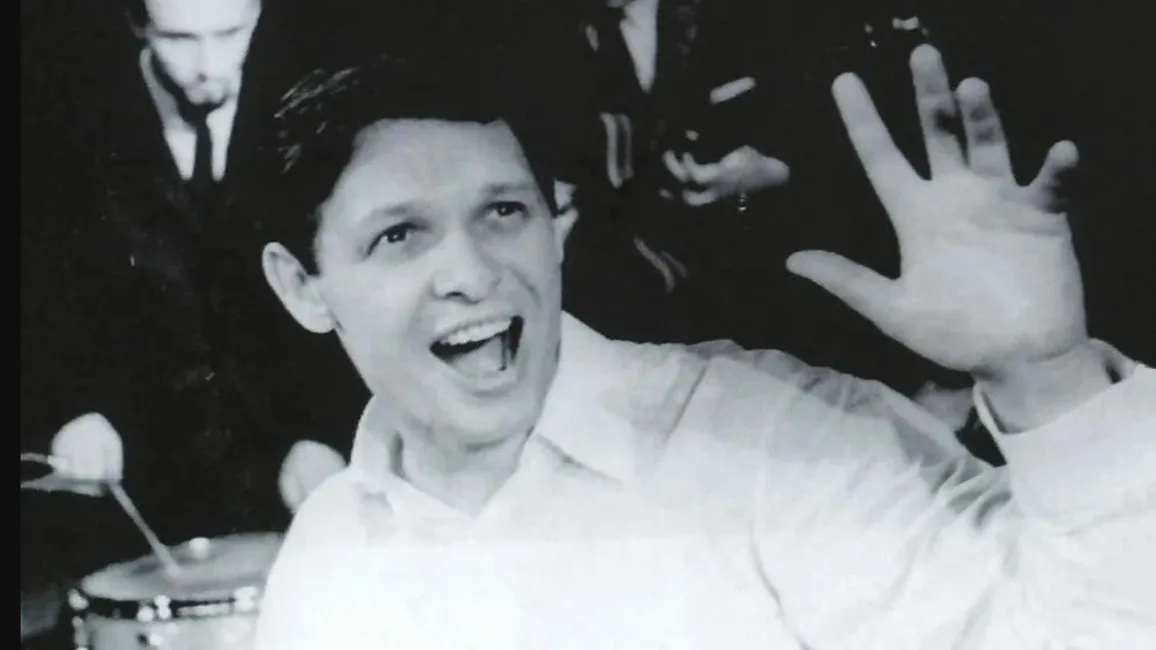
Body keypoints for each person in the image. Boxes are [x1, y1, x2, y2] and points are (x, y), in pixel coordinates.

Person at [250, 46, 1154, 649]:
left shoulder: (772, 444)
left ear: (557, 227)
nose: (471, 272)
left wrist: (1048, 376)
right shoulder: (325, 558)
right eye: (399, 236)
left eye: (503, 212)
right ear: (301, 287)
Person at [19, 0, 356, 621]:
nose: (208, 64)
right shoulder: (58, 123)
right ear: (136, 23)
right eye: (180, 39)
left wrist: (324, 433)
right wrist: (68, 412)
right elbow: (33, 296)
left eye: (230, 34)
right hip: (133, 506)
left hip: (289, 480)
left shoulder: (316, 108)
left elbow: (348, 281)